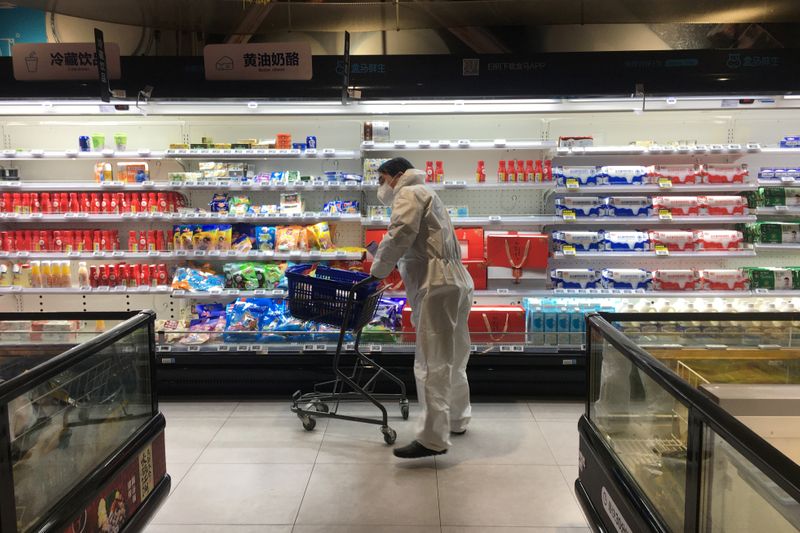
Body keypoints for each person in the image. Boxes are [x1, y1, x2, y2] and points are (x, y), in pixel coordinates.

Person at [369, 157, 474, 459]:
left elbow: (400, 233)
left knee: (431, 361)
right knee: (453, 356)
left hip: (437, 284)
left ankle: (431, 439)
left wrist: (377, 271)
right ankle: (456, 418)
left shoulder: (409, 193)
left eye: (382, 179)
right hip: (456, 280)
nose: (381, 186)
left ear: (398, 176)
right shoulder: (428, 192)